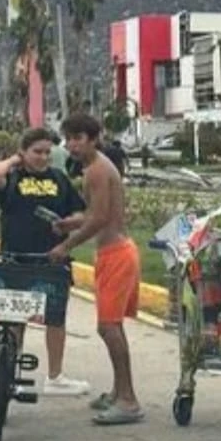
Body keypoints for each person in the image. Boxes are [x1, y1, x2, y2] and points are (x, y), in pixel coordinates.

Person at [48, 113, 143, 425]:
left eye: (79, 138)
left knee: (108, 327)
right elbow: (97, 213)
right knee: (111, 325)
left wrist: (66, 245)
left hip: (116, 253)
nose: (72, 145)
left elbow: (100, 219)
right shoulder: (95, 168)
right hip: (112, 252)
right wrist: (70, 222)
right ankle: (119, 392)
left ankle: (128, 399)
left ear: (93, 138)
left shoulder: (97, 171)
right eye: (69, 138)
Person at [0, 128, 90, 396]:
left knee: (55, 316)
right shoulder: (13, 177)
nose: (44, 157)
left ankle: (55, 376)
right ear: (24, 153)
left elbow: (80, 212)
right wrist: (14, 161)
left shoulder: (59, 179)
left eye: (47, 152)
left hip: (52, 256)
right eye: (37, 152)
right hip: (16, 257)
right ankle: (9, 371)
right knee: (13, 319)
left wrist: (69, 223)